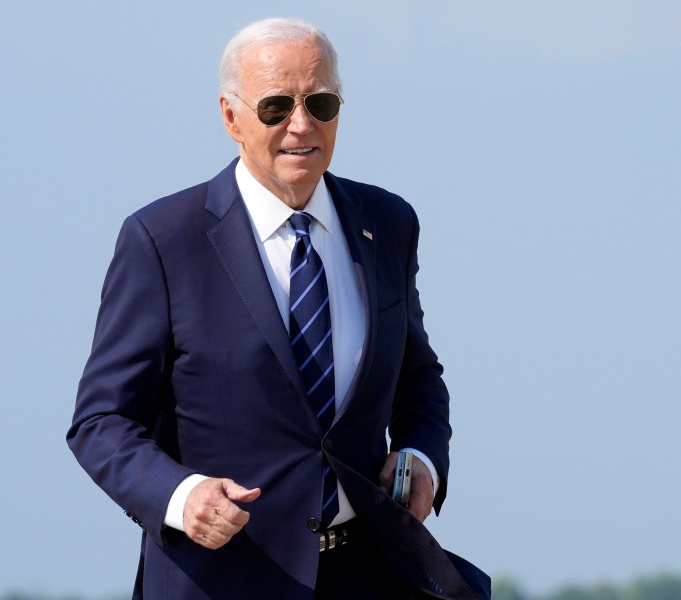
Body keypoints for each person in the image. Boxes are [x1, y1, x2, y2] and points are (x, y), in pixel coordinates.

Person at [68, 17, 490, 600]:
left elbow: (417, 378)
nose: (301, 125)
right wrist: (181, 496)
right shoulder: (163, 240)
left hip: (371, 572)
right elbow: (101, 423)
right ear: (230, 116)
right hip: (224, 578)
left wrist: (422, 459)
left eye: (320, 102)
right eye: (275, 107)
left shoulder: (388, 224)